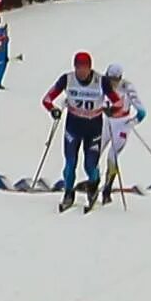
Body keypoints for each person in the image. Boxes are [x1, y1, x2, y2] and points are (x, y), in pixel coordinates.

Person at [40, 50, 120, 210]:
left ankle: (93, 186)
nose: (81, 71)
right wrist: (53, 110)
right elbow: (47, 99)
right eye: (78, 68)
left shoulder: (101, 81)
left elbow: (117, 102)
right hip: (73, 127)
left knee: (90, 165)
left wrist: (111, 110)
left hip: (94, 128)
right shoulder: (67, 79)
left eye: (84, 68)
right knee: (70, 164)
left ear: (90, 68)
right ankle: (68, 193)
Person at [100, 63, 145, 192]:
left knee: (111, 156)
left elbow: (142, 112)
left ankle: (107, 188)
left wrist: (131, 124)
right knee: (94, 153)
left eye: (115, 80)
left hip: (122, 125)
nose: (112, 83)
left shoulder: (127, 88)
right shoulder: (102, 85)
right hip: (107, 123)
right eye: (109, 79)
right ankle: (94, 182)